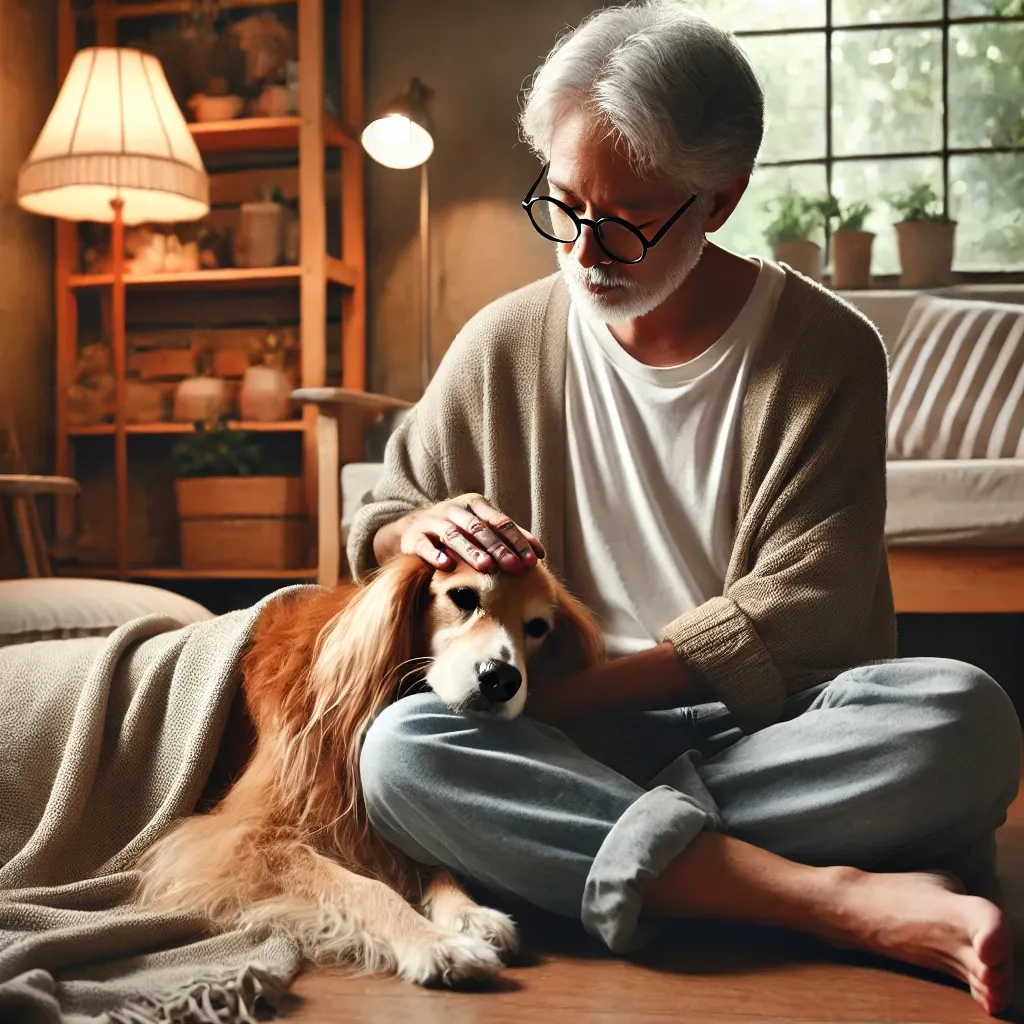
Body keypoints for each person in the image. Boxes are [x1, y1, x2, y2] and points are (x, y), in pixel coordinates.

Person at [348, 2, 1021, 1013]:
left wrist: (569, 708)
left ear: (721, 199)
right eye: (564, 204)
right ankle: (829, 899)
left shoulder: (829, 351)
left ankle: (583, 853)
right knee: (400, 751)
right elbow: (384, 510)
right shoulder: (502, 343)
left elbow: (810, 610)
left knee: (966, 722)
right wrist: (414, 525)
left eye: (626, 219)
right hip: (550, 732)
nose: (586, 249)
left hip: (751, 732)